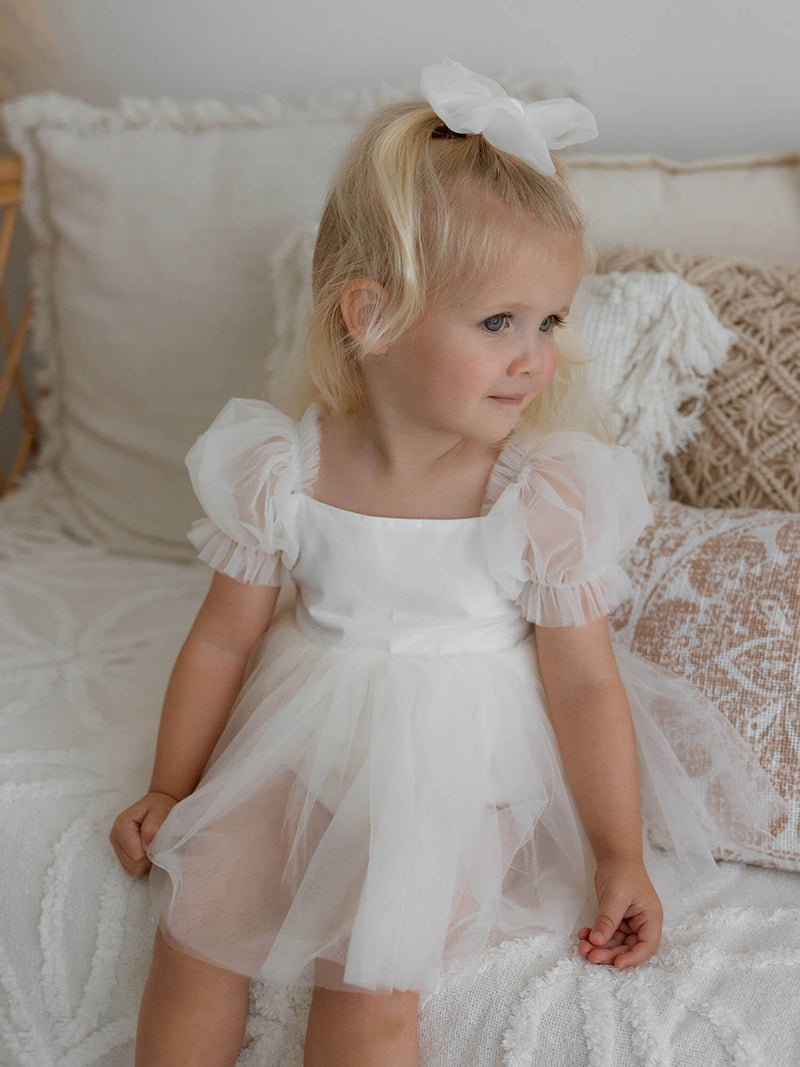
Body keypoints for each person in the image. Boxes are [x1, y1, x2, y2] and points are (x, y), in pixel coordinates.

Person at [109, 58, 788, 1067]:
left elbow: (584, 681)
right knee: (197, 929)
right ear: (370, 314)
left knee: (366, 983)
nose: (534, 356)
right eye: (497, 323)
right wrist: (172, 787)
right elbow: (223, 637)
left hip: (454, 764)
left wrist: (617, 851)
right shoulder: (285, 466)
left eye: (549, 321)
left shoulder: (532, 493)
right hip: (301, 730)